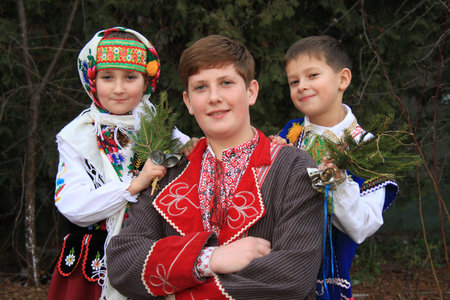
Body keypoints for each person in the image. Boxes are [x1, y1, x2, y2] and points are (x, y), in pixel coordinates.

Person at [106, 34, 325, 299]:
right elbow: (123, 261)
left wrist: (176, 291)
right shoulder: (167, 171)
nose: (214, 97)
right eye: (200, 88)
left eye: (226, 83)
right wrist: (209, 258)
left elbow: (293, 275)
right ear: (188, 102)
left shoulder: (293, 168)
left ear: (251, 91)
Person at [47, 27, 192, 300]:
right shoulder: (77, 135)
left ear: (147, 81)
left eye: (130, 77)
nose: (118, 88)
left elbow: (199, 155)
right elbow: (73, 205)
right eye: (107, 77)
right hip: (94, 262)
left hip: (150, 254)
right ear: (92, 80)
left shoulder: (160, 126)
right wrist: (135, 184)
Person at [277, 35, 399, 299]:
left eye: (312, 75)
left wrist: (340, 182)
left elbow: (363, 226)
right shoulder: (289, 135)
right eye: (294, 81)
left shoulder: (365, 145)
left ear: (343, 79)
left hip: (328, 279)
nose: (302, 86)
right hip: (280, 270)